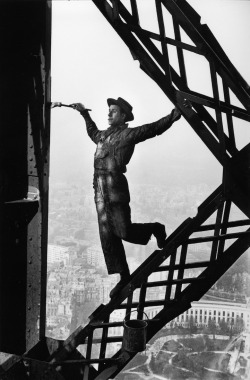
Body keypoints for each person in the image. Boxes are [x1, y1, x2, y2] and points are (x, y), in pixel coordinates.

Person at [70, 97, 186, 298]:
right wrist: (84, 113)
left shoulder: (128, 135)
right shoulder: (103, 136)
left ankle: (155, 228)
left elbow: (152, 129)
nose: (109, 113)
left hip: (115, 192)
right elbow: (92, 131)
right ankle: (124, 276)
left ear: (123, 116)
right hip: (100, 193)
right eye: (109, 110)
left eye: (113, 111)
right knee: (108, 238)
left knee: (123, 231)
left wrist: (173, 116)